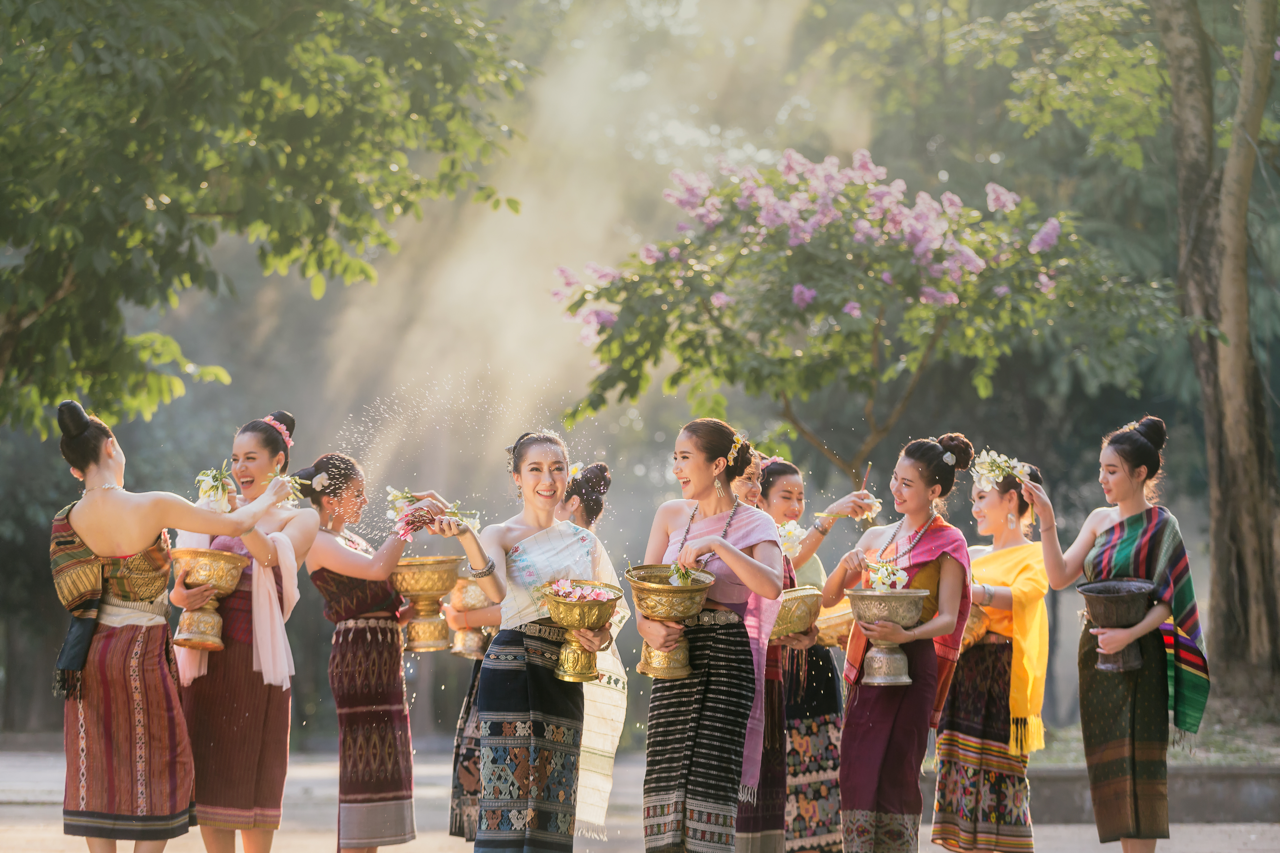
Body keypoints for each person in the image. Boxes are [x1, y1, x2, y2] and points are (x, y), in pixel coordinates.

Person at [49, 400, 291, 851]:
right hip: (141, 653)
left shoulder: (66, 521)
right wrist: (273, 497)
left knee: (97, 769)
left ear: (75, 470)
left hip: (89, 657)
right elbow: (236, 522)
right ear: (112, 448)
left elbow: (80, 595)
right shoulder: (153, 504)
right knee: (164, 768)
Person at [426, 433, 629, 852]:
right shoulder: (498, 533)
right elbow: (498, 594)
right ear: (517, 478)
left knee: (553, 799)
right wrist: (466, 535)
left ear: (567, 475)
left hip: (565, 670)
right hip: (510, 668)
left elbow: (607, 612)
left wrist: (599, 633)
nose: (547, 478)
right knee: (507, 797)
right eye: (535, 469)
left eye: (557, 468)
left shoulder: (584, 541)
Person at [1021, 417, 1209, 852]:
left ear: (1140, 473)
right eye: (1101, 468)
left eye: (1112, 470)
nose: (1102, 478)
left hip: (1141, 654)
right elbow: (1059, 575)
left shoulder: (1163, 527)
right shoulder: (1098, 520)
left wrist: (1129, 635)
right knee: (1109, 767)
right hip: (1097, 656)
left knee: (1140, 768)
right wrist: (1047, 519)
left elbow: (1169, 601)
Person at [172, 411, 320, 853]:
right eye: (235, 458)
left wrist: (246, 514)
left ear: (277, 463)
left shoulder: (301, 518)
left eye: (250, 458)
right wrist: (180, 597)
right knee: (211, 776)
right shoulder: (218, 509)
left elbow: (273, 559)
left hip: (258, 661)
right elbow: (184, 571)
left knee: (255, 774)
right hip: (208, 655)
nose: (238, 469)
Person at [639, 419, 785, 853]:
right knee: (662, 778)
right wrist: (648, 627)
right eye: (675, 459)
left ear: (717, 464)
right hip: (674, 656)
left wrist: (718, 547)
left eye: (686, 459)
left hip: (726, 658)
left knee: (709, 780)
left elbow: (773, 586)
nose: (677, 470)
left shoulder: (757, 523)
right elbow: (645, 589)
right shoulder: (669, 514)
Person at [823, 434, 973, 853]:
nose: (896, 489)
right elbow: (831, 598)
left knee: (899, 770)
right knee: (856, 764)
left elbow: (946, 616)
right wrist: (843, 564)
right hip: (870, 661)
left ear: (935, 491)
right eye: (895, 478)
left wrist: (904, 635)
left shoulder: (949, 541)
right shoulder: (876, 538)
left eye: (908, 483)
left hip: (914, 664)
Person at [297, 453, 448, 853]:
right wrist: (408, 521)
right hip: (359, 663)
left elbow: (378, 608)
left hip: (384, 657)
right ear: (330, 499)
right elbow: (381, 568)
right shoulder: (318, 541)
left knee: (380, 774)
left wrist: (418, 609)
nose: (365, 502)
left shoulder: (352, 540)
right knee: (363, 772)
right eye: (357, 494)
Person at [750, 457, 874, 853]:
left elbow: (818, 604)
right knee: (778, 780)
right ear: (760, 499)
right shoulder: (757, 545)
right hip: (774, 674)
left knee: (823, 778)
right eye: (786, 496)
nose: (796, 505)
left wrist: (815, 631)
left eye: (801, 497)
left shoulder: (808, 551)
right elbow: (785, 567)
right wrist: (833, 513)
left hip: (816, 673)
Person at [932, 457, 1050, 853]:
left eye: (983, 498)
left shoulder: (1034, 556)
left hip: (1002, 676)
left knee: (1003, 780)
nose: (975, 508)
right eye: (973, 499)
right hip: (964, 673)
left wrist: (974, 590)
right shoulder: (973, 553)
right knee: (959, 778)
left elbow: (1023, 597)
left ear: (1012, 499)